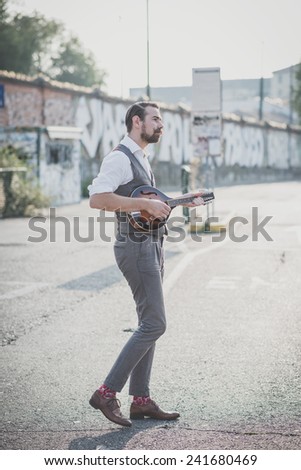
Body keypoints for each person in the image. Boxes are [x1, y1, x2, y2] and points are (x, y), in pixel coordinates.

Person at [88, 101, 204, 427]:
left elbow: (149, 206)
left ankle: (140, 400)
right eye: (155, 119)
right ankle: (106, 392)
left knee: (147, 321)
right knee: (155, 323)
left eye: (161, 120)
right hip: (135, 248)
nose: (161, 125)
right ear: (137, 122)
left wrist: (182, 202)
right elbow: (98, 198)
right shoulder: (119, 158)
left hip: (152, 244)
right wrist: (141, 203)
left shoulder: (141, 159)